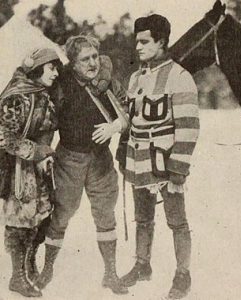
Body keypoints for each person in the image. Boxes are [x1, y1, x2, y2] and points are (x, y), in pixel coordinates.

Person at [35, 35, 128, 295]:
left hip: (101, 160)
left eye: (95, 57)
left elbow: (129, 109)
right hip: (69, 159)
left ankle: (111, 273)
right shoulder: (61, 84)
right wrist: (43, 153)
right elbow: (46, 121)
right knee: (61, 214)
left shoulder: (107, 82)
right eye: (85, 59)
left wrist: (116, 126)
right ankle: (47, 269)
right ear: (73, 63)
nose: (92, 63)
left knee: (105, 215)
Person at [117, 14, 200, 299]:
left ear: (161, 42)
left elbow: (188, 128)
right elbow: (130, 118)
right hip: (138, 160)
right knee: (143, 218)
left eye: (145, 41)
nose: (138, 47)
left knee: (177, 220)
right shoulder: (136, 77)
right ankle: (142, 265)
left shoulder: (179, 76)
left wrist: (178, 169)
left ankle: (182, 275)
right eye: (136, 41)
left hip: (165, 162)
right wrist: (122, 151)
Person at [0, 48, 62, 297]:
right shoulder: (17, 97)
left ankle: (28, 265)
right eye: (51, 68)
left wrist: (44, 154)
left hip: (38, 167)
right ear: (37, 68)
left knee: (41, 216)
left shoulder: (43, 95)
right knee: (21, 219)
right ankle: (17, 277)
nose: (56, 74)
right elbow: (4, 137)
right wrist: (36, 152)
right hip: (18, 168)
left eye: (57, 69)